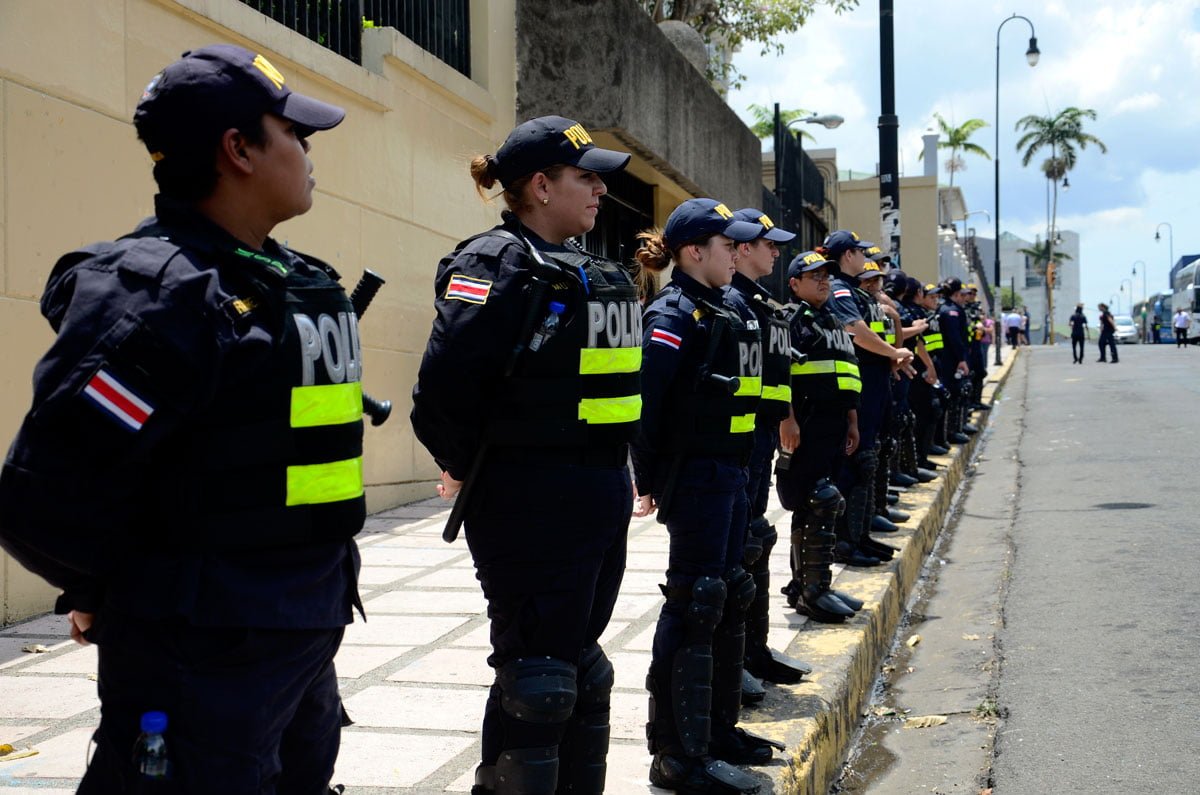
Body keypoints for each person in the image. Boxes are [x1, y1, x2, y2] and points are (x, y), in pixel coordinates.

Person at [0, 45, 359, 793]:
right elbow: (40, 496)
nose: (308, 148)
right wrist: (108, 588)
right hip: (199, 657)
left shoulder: (284, 279)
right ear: (238, 151)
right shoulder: (160, 296)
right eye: (295, 132)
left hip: (298, 635)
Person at [410, 116, 637, 795]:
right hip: (529, 503)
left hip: (599, 495)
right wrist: (476, 466)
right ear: (539, 186)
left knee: (573, 670)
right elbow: (441, 392)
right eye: (584, 176)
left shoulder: (594, 273)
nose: (600, 189)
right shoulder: (492, 264)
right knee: (536, 680)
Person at [632, 198, 778, 794]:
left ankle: (717, 733)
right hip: (695, 477)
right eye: (726, 246)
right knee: (696, 602)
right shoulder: (673, 314)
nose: (736, 253)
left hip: (732, 473)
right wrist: (650, 481)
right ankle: (676, 753)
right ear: (695, 252)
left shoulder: (729, 307)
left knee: (728, 594)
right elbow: (647, 404)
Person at [721, 209, 811, 691]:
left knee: (757, 542)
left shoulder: (760, 301)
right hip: (741, 438)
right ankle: (738, 659)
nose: (776, 252)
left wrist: (786, 417)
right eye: (767, 244)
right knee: (742, 550)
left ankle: (754, 648)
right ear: (739, 250)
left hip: (760, 435)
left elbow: (779, 372)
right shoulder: (734, 301)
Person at [776, 251, 863, 622]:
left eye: (826, 276)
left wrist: (852, 421)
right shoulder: (791, 319)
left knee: (819, 502)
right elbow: (780, 373)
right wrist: (787, 419)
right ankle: (813, 590)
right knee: (819, 500)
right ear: (795, 284)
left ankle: (809, 584)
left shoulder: (833, 319)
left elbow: (846, 373)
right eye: (814, 277)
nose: (824, 282)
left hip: (835, 423)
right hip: (807, 424)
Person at [823, 231, 914, 567]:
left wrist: (892, 356)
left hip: (874, 386)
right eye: (860, 253)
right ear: (848, 255)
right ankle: (845, 542)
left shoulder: (856, 292)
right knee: (854, 464)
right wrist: (893, 351)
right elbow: (857, 331)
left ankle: (859, 535)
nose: (865, 259)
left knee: (867, 461)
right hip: (857, 388)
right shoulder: (840, 289)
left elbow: (877, 327)